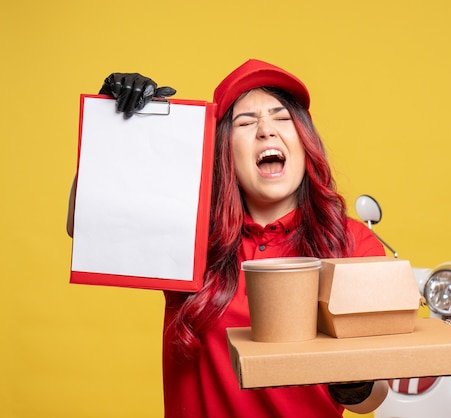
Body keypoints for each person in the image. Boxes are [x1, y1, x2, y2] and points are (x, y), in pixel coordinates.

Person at [67, 59, 389, 417]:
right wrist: (115, 129)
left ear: (304, 140)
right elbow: (91, 225)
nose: (266, 131)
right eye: (246, 122)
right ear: (225, 152)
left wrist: (357, 383)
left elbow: (372, 398)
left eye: (282, 118)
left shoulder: (352, 243)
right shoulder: (188, 235)